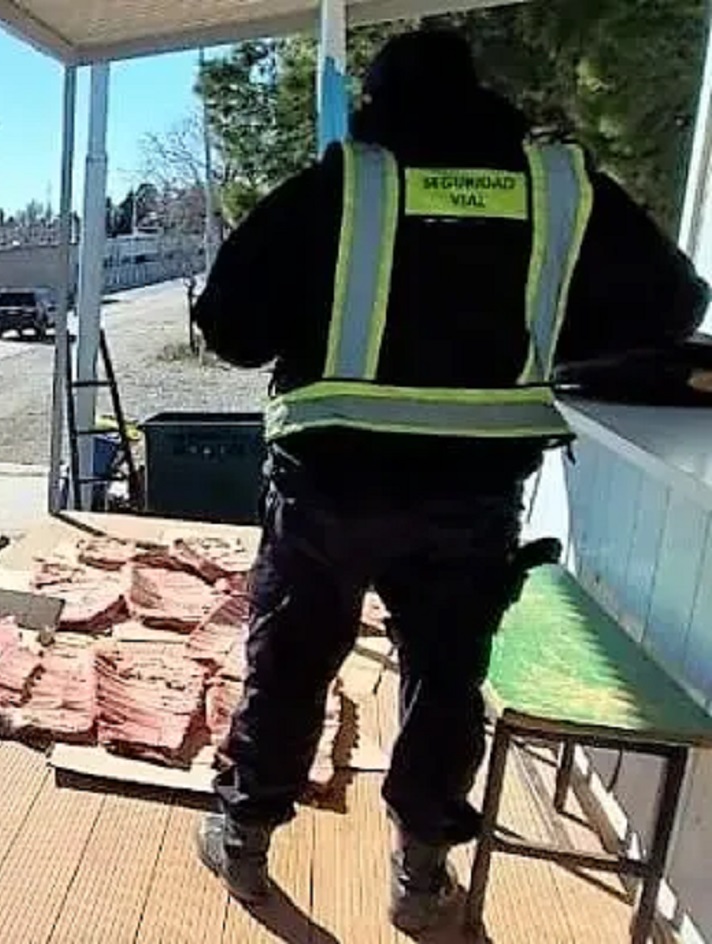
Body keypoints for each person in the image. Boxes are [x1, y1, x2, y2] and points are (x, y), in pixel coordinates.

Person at [192, 27, 708, 934]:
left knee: (295, 659)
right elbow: (673, 305)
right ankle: (420, 872)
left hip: (331, 487)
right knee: (443, 676)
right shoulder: (559, 189)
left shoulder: (346, 186)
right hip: (472, 497)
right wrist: (550, 341)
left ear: (379, 107)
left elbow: (229, 326)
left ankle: (243, 833)